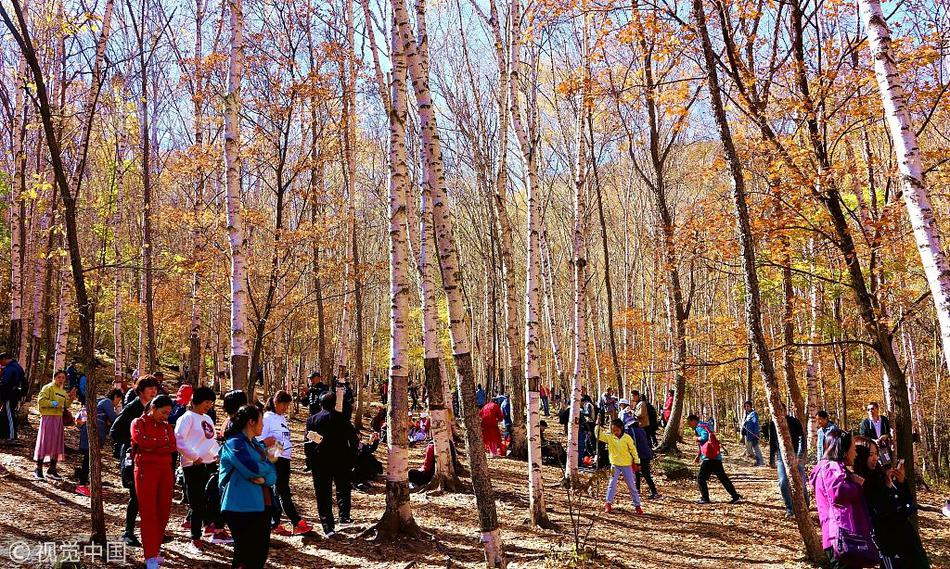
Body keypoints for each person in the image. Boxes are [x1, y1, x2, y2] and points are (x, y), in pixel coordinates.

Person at [854, 440, 930, 568]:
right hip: (890, 545)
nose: (875, 458)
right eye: (870, 454)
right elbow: (884, 512)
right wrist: (888, 489)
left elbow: (908, 506)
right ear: (861, 456)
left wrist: (901, 482)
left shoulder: (881, 476)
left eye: (876, 454)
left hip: (908, 541)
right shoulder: (861, 483)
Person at [220, 405, 277, 569]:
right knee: (244, 555)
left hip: (262, 505)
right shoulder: (234, 443)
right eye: (261, 422)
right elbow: (250, 468)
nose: (263, 427)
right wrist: (263, 467)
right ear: (251, 422)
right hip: (239, 505)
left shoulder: (257, 446)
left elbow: (273, 474)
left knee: (259, 554)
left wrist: (263, 476)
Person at [809, 429, 875, 569]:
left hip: (840, 536)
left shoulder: (831, 468)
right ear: (843, 450)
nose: (855, 453)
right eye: (853, 449)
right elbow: (838, 492)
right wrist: (857, 486)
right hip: (840, 537)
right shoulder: (832, 467)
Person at [111, 375, 161, 547]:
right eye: (150, 388)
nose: (154, 391)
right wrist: (134, 442)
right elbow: (116, 430)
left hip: (151, 458)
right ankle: (128, 532)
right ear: (141, 390)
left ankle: (152, 531)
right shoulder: (133, 407)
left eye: (155, 388)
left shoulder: (154, 407)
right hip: (133, 456)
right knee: (136, 495)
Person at [130, 394, 177, 569]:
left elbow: (172, 445)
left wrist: (154, 445)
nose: (166, 417)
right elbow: (141, 441)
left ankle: (155, 550)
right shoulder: (138, 423)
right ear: (153, 408)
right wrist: (160, 445)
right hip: (145, 470)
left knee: (163, 510)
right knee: (149, 511)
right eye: (163, 413)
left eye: (168, 414)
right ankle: (149, 554)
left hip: (165, 471)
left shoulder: (166, 427)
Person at [175, 386, 224, 550]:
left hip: (208, 465)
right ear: (196, 401)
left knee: (210, 499)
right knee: (196, 503)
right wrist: (194, 457)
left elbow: (211, 441)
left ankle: (209, 527)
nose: (209, 405)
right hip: (192, 465)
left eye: (211, 402)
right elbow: (179, 440)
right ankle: (195, 537)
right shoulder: (187, 418)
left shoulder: (208, 419)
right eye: (206, 402)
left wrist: (217, 454)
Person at [306, 392, 358, 536]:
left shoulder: (312, 420)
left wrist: (309, 460)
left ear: (320, 404)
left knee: (323, 494)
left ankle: (328, 526)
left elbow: (308, 443)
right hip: (341, 460)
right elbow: (354, 440)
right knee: (343, 488)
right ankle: (344, 516)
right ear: (335, 404)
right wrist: (351, 457)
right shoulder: (343, 419)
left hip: (320, 462)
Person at [261, 390, 311, 536]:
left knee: (280, 490)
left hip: (284, 458)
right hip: (275, 458)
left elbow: (283, 438)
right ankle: (296, 521)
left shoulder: (281, 418)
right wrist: (275, 448)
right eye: (283, 404)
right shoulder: (267, 418)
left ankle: (275, 522)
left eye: (287, 405)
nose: (285, 408)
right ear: (275, 402)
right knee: (283, 490)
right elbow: (261, 440)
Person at [76, 388, 123, 495]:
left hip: (95, 433)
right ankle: (81, 484)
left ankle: (88, 483)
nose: (117, 403)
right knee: (88, 458)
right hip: (92, 433)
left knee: (90, 459)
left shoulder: (101, 403)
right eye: (118, 400)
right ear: (115, 396)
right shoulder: (107, 402)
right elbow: (114, 419)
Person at [687, 414, 741, 504]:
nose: (690, 425)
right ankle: (735, 496)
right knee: (723, 477)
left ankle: (705, 498)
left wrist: (697, 438)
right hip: (716, 456)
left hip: (709, 458)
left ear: (693, 420)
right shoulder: (706, 425)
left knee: (700, 478)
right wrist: (698, 455)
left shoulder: (699, 427)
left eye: (689, 422)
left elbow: (704, 438)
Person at [769, 404, 809, 518]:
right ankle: (790, 508)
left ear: (786, 410)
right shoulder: (773, 424)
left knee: (801, 481)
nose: (780, 412)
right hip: (781, 457)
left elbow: (802, 439)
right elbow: (772, 442)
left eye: (782, 410)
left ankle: (805, 505)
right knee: (783, 482)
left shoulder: (794, 422)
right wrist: (772, 458)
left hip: (796, 455)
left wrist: (800, 456)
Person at [596, 418, 642, 514]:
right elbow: (599, 435)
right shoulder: (610, 437)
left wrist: (637, 461)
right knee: (612, 484)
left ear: (621, 428)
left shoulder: (627, 438)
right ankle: (608, 504)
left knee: (631, 485)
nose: (615, 432)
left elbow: (633, 450)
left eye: (617, 430)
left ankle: (637, 505)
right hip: (615, 464)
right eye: (613, 430)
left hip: (627, 465)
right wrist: (597, 425)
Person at [34, 370, 71, 480]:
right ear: (55, 378)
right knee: (44, 441)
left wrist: (71, 398)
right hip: (48, 418)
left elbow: (65, 405)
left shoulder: (63, 392)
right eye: (59, 377)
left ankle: (52, 470)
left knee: (56, 443)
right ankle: (38, 469)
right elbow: (41, 401)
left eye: (63, 378)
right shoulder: (48, 387)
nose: (61, 379)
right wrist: (53, 404)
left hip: (58, 419)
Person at [0, 352, 26, 444]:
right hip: (15, 395)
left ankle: (11, 437)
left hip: (9, 395)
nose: (1, 364)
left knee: (9, 414)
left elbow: (5, 382)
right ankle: (5, 435)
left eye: (1, 361)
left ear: (4, 359)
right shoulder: (18, 367)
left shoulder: (10, 368)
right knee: (7, 414)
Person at [630, 421, 659, 499]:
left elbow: (634, 444)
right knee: (637, 472)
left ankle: (654, 492)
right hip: (645, 453)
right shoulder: (641, 429)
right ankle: (637, 489)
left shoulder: (631, 431)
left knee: (645, 474)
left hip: (641, 455)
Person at [741, 401, 764, 467]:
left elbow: (755, 424)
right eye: (745, 406)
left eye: (747, 406)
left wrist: (756, 434)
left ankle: (761, 462)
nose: (746, 408)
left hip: (753, 434)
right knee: (749, 449)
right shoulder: (746, 414)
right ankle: (758, 461)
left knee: (756, 448)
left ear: (751, 406)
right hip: (747, 435)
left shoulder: (754, 414)